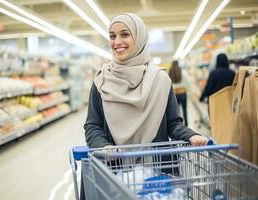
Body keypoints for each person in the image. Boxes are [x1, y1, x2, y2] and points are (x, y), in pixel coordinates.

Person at [82, 13, 208, 199]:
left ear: (139, 37)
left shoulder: (160, 79)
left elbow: (173, 124)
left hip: (158, 176)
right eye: (112, 36)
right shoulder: (101, 81)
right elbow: (92, 125)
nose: (117, 42)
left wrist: (191, 135)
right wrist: (104, 146)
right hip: (115, 174)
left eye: (125, 34)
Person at [168, 60, 189, 126]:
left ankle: (179, 126)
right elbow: (188, 83)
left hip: (174, 94)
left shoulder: (170, 73)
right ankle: (186, 125)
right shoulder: (182, 72)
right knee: (185, 110)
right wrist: (186, 89)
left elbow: (168, 83)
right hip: (183, 93)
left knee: (177, 112)